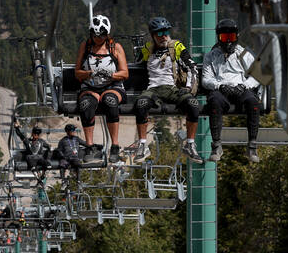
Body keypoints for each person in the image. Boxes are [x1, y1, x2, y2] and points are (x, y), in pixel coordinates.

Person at [131, 16, 204, 163]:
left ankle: (190, 145)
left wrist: (189, 88)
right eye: (159, 33)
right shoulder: (147, 49)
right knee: (141, 104)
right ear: (153, 35)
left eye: (166, 31)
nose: (163, 35)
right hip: (153, 89)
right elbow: (138, 61)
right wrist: (137, 50)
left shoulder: (176, 46)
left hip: (172, 88)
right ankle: (143, 145)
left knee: (193, 105)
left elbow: (192, 67)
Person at [201, 19, 261, 163]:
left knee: (253, 102)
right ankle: (216, 146)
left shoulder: (244, 53)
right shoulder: (211, 56)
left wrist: (245, 85)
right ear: (219, 38)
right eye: (224, 38)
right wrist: (219, 86)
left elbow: (258, 75)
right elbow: (206, 79)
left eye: (231, 38)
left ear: (236, 36)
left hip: (240, 88)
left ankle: (252, 146)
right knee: (214, 102)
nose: (228, 42)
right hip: (222, 90)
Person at [74, 14, 129, 161]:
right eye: (95, 35)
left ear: (107, 34)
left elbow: (125, 73)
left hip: (112, 86)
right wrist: (88, 74)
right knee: (86, 104)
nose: (98, 38)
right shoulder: (85, 47)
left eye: (102, 35)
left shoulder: (115, 48)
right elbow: (77, 73)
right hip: (90, 86)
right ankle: (90, 146)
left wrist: (111, 75)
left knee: (110, 101)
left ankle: (115, 146)